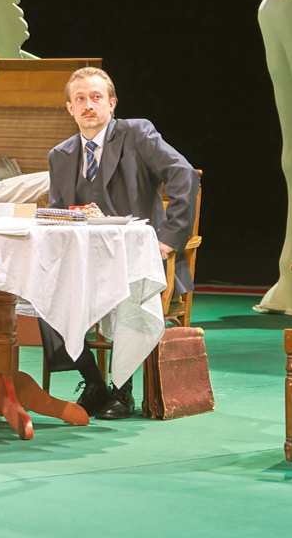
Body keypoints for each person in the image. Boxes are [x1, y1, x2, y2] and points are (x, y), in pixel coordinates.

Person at [42, 66, 199, 420]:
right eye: (80, 98)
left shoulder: (137, 134)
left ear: (111, 103)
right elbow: (59, 216)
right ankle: (94, 382)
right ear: (69, 108)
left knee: (125, 290)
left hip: (139, 262)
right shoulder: (60, 155)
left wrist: (168, 239)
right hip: (86, 263)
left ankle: (122, 390)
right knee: (41, 290)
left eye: (96, 97)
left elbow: (184, 174)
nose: (88, 105)